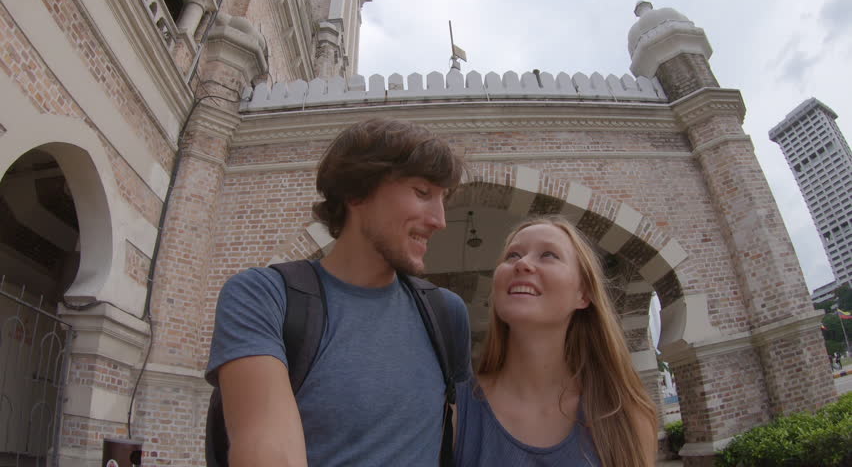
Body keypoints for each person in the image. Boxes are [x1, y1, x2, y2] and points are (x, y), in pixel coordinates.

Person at [206, 118, 471, 466]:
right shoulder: (264, 297)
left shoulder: (445, 314)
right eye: (422, 193)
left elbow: (456, 439)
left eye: (442, 200)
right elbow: (268, 451)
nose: (440, 220)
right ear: (356, 192)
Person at [454, 216, 658, 467]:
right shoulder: (455, 411)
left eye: (549, 255)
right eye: (512, 256)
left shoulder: (625, 418)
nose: (523, 264)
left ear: (583, 295)